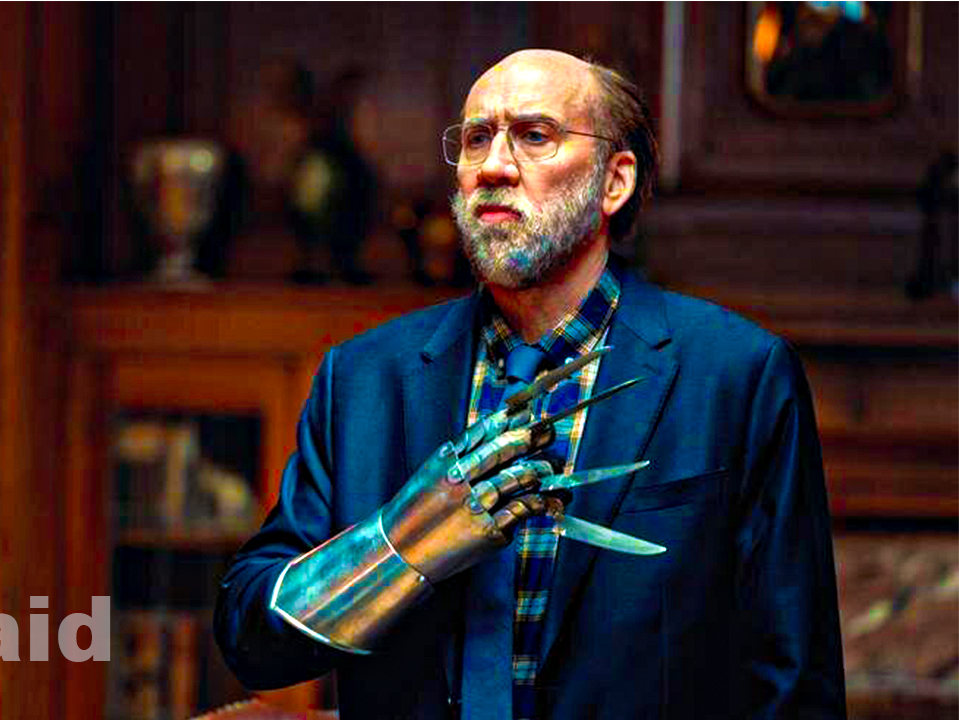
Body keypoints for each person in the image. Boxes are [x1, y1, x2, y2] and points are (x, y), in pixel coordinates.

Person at [214, 49, 846, 720]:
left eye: (535, 135)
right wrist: (401, 543)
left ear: (614, 182)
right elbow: (254, 642)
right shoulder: (363, 379)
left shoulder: (738, 375)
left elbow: (794, 683)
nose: (493, 165)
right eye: (476, 138)